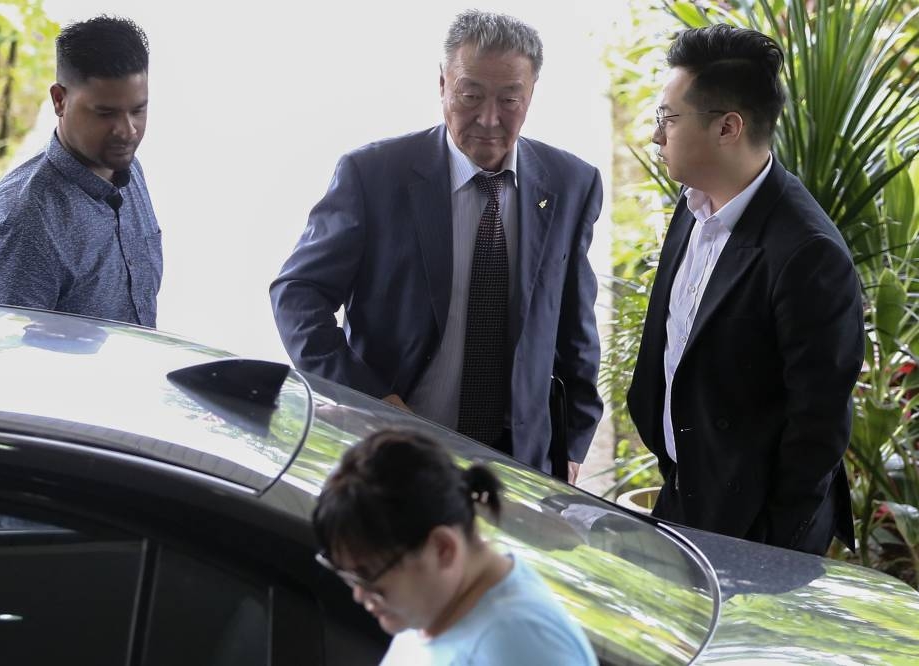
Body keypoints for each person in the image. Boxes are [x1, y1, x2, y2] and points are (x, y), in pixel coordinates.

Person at [271, 10, 603, 481]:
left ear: (531, 95)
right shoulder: (374, 175)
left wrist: (572, 444)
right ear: (443, 84)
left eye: (510, 99)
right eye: (470, 96)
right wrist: (364, 395)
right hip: (393, 442)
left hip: (518, 462)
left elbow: (575, 326)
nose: (489, 119)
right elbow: (296, 294)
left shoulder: (571, 182)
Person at [627, 25, 864, 555]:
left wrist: (772, 543)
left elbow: (819, 424)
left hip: (756, 529)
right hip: (685, 494)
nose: (655, 135)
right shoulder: (692, 207)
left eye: (667, 117)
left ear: (727, 128)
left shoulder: (808, 252)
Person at [312, 429, 598, 666]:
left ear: (442, 549)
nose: (360, 595)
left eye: (368, 576)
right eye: (348, 574)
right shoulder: (435, 606)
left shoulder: (522, 647)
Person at [0, 15, 162, 327]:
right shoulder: (20, 222)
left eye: (138, 110)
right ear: (59, 100)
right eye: (105, 113)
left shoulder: (129, 171)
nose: (127, 130)